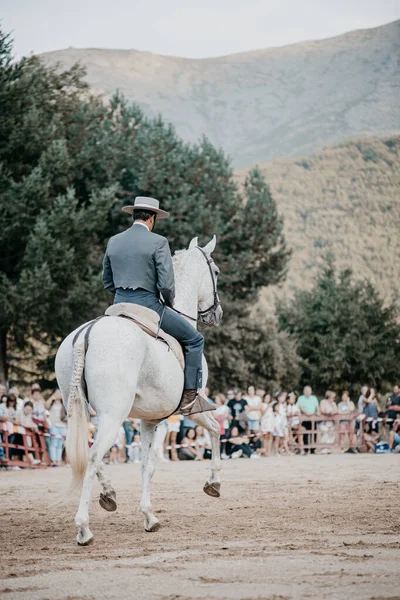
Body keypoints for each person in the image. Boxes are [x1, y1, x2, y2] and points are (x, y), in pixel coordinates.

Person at [102, 196, 213, 416]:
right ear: (152, 218)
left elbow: (107, 281)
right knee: (195, 339)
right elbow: (166, 285)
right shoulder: (158, 242)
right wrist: (168, 302)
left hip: (118, 306)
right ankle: (190, 398)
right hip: (150, 306)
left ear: (134, 215)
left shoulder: (114, 241)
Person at [45, 389, 67, 466]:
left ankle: (58, 460)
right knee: (53, 443)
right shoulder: (51, 403)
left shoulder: (64, 403)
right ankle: (53, 461)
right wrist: (52, 397)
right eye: (56, 392)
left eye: (59, 392)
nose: (58, 394)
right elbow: (46, 406)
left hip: (63, 425)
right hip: (53, 425)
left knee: (60, 444)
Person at [297, 386, 320, 454]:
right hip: (305, 418)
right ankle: (306, 449)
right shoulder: (301, 398)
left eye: (309, 391)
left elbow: (317, 406)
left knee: (314, 433)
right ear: (304, 391)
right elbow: (300, 407)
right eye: (306, 391)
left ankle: (313, 449)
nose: (307, 392)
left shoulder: (314, 398)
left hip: (313, 418)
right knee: (305, 433)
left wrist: (318, 411)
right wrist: (306, 413)